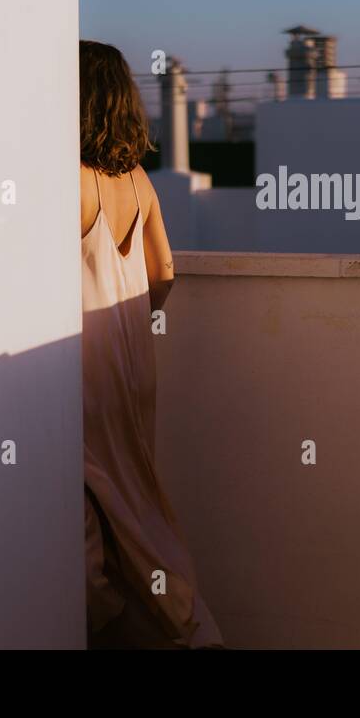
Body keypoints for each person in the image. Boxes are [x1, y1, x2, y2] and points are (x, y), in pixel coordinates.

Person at [79, 40, 222, 648]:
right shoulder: (136, 180)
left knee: (97, 502)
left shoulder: (68, 179)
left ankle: (175, 627)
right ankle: (165, 622)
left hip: (84, 365)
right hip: (134, 361)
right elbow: (163, 273)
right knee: (130, 499)